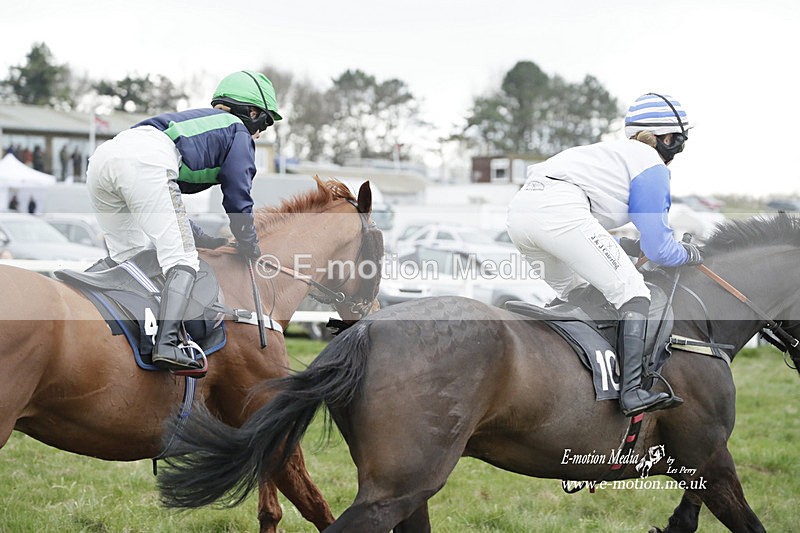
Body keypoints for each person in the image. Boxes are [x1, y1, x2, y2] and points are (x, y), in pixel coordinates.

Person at [506, 92, 703, 417]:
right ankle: (632, 392)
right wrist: (689, 254)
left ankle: (567, 375)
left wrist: (628, 248)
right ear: (668, 138)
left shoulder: (610, 155)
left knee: (581, 293)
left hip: (520, 215)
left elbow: (592, 227)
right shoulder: (651, 165)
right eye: (679, 142)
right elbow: (659, 248)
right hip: (559, 214)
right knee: (633, 294)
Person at [86, 70, 282, 371]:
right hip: (144, 162)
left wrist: (206, 238)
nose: (259, 135)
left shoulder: (196, 125)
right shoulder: (238, 132)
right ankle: (167, 343)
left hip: (102, 160)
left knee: (132, 260)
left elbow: (162, 207)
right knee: (183, 261)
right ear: (252, 113)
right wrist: (248, 242)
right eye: (264, 125)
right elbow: (238, 196)